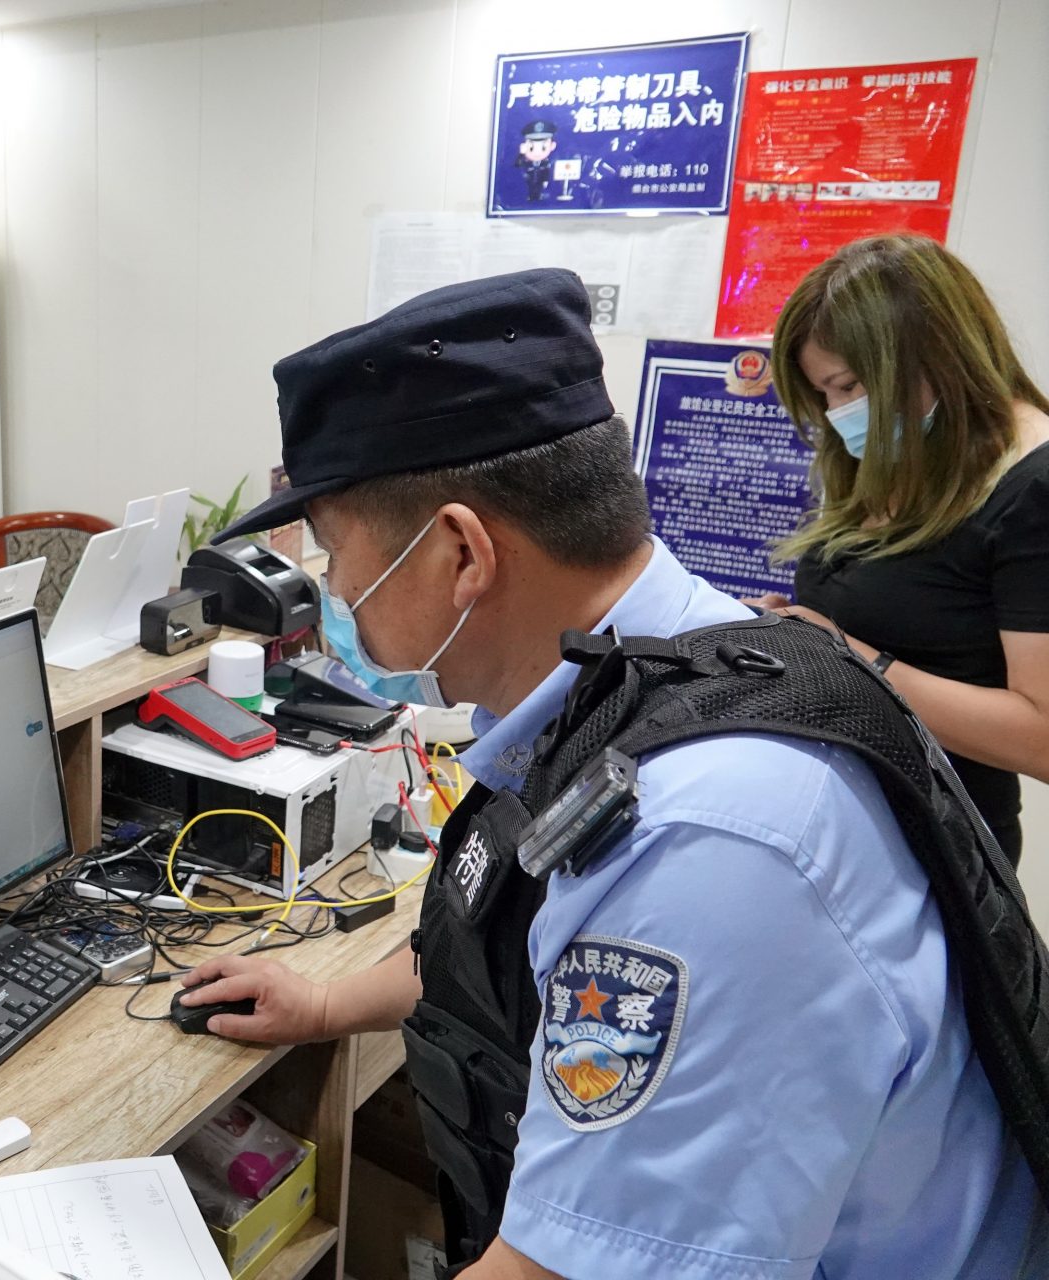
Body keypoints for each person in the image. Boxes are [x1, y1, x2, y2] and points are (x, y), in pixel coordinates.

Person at [180, 268, 1044, 1278]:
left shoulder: (708, 841)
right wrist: (328, 1006)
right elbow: (521, 918)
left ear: (462, 551)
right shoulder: (660, 664)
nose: (332, 594)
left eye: (335, 555)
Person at [748, 234, 1049, 864]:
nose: (837, 413)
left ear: (934, 356)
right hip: (844, 816)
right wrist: (794, 636)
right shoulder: (909, 450)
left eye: (851, 386)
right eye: (824, 394)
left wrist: (851, 659)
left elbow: (1042, 738)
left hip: (945, 844)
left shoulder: (1033, 487)